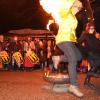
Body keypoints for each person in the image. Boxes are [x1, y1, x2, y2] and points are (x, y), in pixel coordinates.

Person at [78, 22, 100, 89]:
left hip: (96, 53)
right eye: (91, 28)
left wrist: (98, 38)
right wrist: (85, 51)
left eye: (93, 28)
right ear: (87, 28)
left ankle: (87, 81)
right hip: (90, 54)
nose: (92, 30)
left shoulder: (93, 35)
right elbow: (79, 43)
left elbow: (97, 44)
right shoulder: (85, 34)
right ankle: (93, 74)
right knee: (95, 66)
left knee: (94, 67)